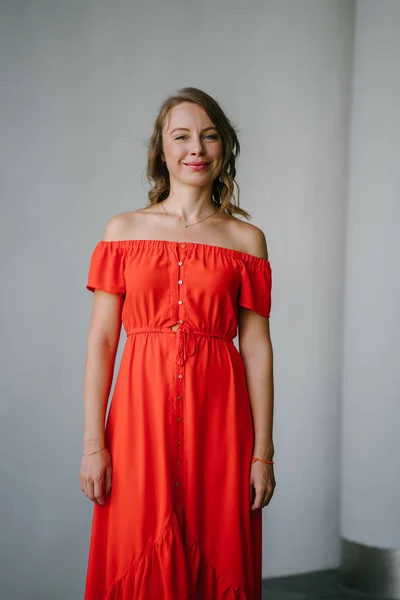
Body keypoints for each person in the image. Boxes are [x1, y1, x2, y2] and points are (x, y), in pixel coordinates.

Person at [80, 86, 275, 600]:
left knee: (216, 543)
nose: (197, 148)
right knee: (135, 541)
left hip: (221, 420)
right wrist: (93, 445)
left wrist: (263, 454)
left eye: (210, 136)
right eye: (182, 136)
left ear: (224, 148)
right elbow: (102, 340)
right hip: (137, 419)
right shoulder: (123, 231)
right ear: (161, 150)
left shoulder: (245, 240)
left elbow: (256, 348)